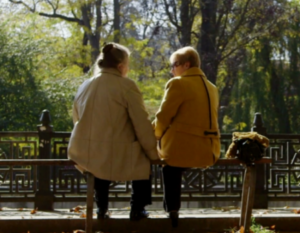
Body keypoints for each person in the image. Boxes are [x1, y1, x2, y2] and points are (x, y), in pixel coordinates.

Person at [68, 42, 158, 221]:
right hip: (117, 151)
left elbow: (76, 118)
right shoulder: (126, 86)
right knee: (143, 162)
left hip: (85, 151)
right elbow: (141, 122)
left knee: (98, 167)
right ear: (120, 66)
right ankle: (137, 208)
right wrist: (152, 151)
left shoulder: (84, 86)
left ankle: (101, 209)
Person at [153, 46, 221, 227]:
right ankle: (172, 212)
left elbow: (163, 117)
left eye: (174, 65)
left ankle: (172, 211)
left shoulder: (178, 84)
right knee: (173, 166)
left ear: (186, 65)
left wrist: (154, 136)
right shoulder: (212, 87)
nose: (171, 70)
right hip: (209, 150)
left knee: (169, 167)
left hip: (182, 150)